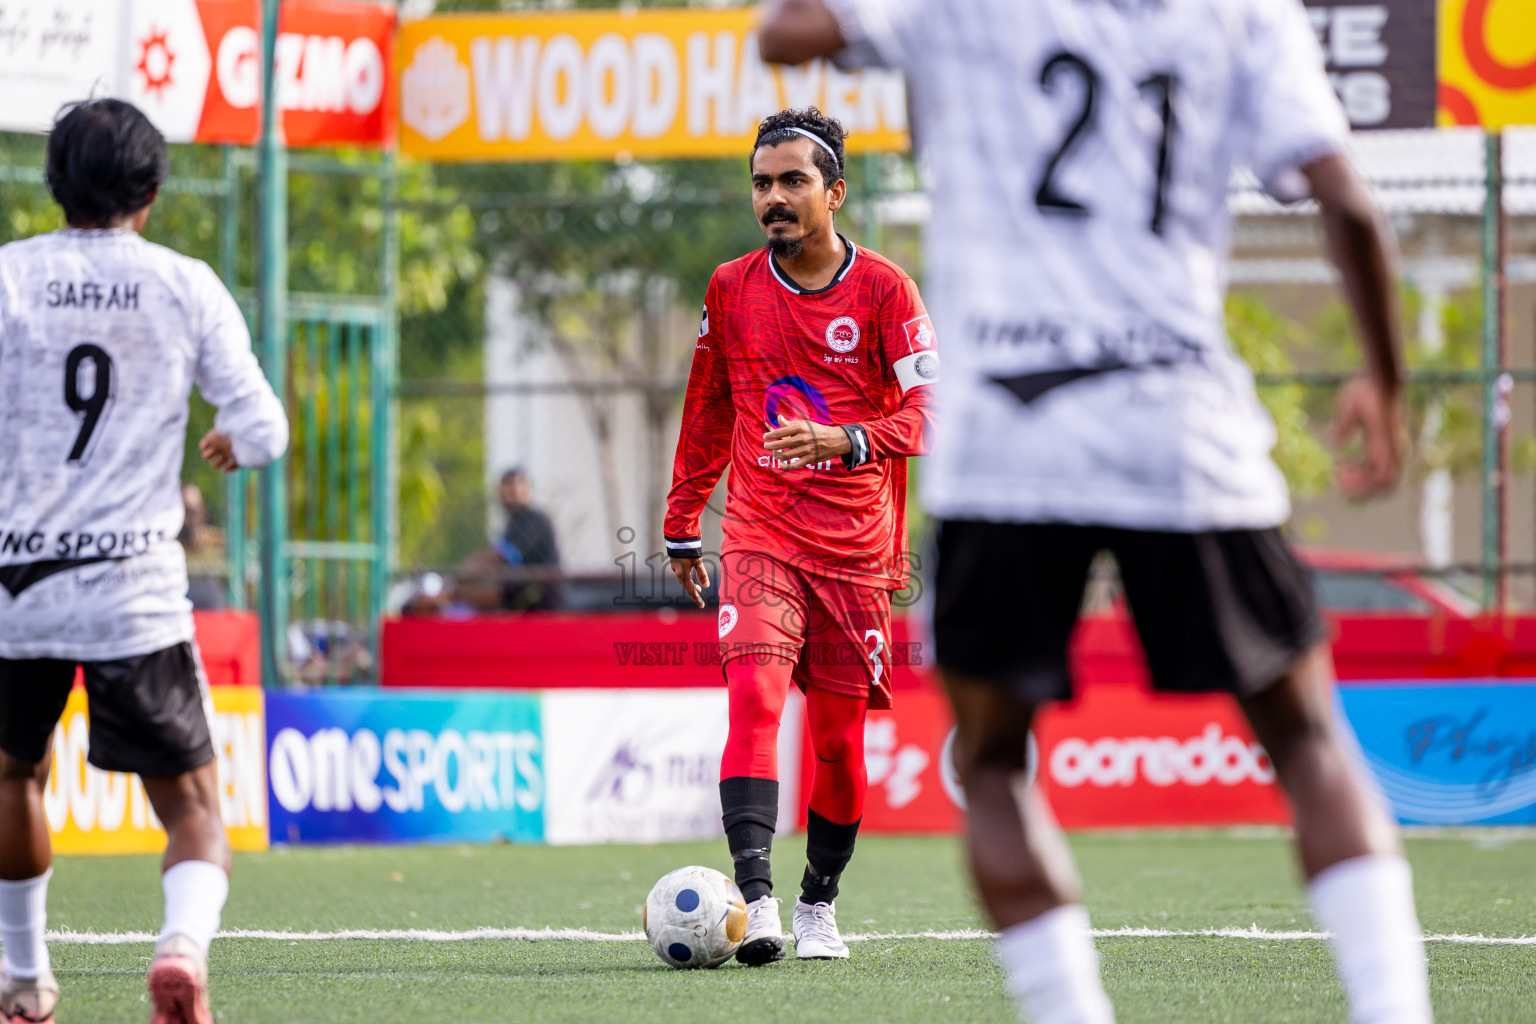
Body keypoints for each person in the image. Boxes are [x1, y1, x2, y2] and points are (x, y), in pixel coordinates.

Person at [759, 3, 1429, 1023]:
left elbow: (784, 32)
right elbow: (1348, 206)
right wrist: (1385, 376)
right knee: (1307, 740)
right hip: (1179, 421)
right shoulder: (1242, 11)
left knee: (989, 760)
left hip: (1011, 444)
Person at [0, 99, 287, 1024]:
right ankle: (179, 952)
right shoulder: (184, 285)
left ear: (54, 185)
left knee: (10, 778)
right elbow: (265, 428)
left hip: (17, 584)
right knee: (196, 808)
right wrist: (231, 443)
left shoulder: (9, 278)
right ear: (152, 192)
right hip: (134, 590)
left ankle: (22, 978)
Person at [666, 107, 938, 964]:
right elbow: (708, 406)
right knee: (753, 701)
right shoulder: (730, 287)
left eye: (793, 181)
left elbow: (932, 410)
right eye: (761, 183)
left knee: (837, 742)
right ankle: (759, 900)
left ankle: (821, 902)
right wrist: (681, 523)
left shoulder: (887, 291)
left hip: (856, 552)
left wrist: (847, 437)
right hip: (760, 537)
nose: (774, 198)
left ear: (835, 192)